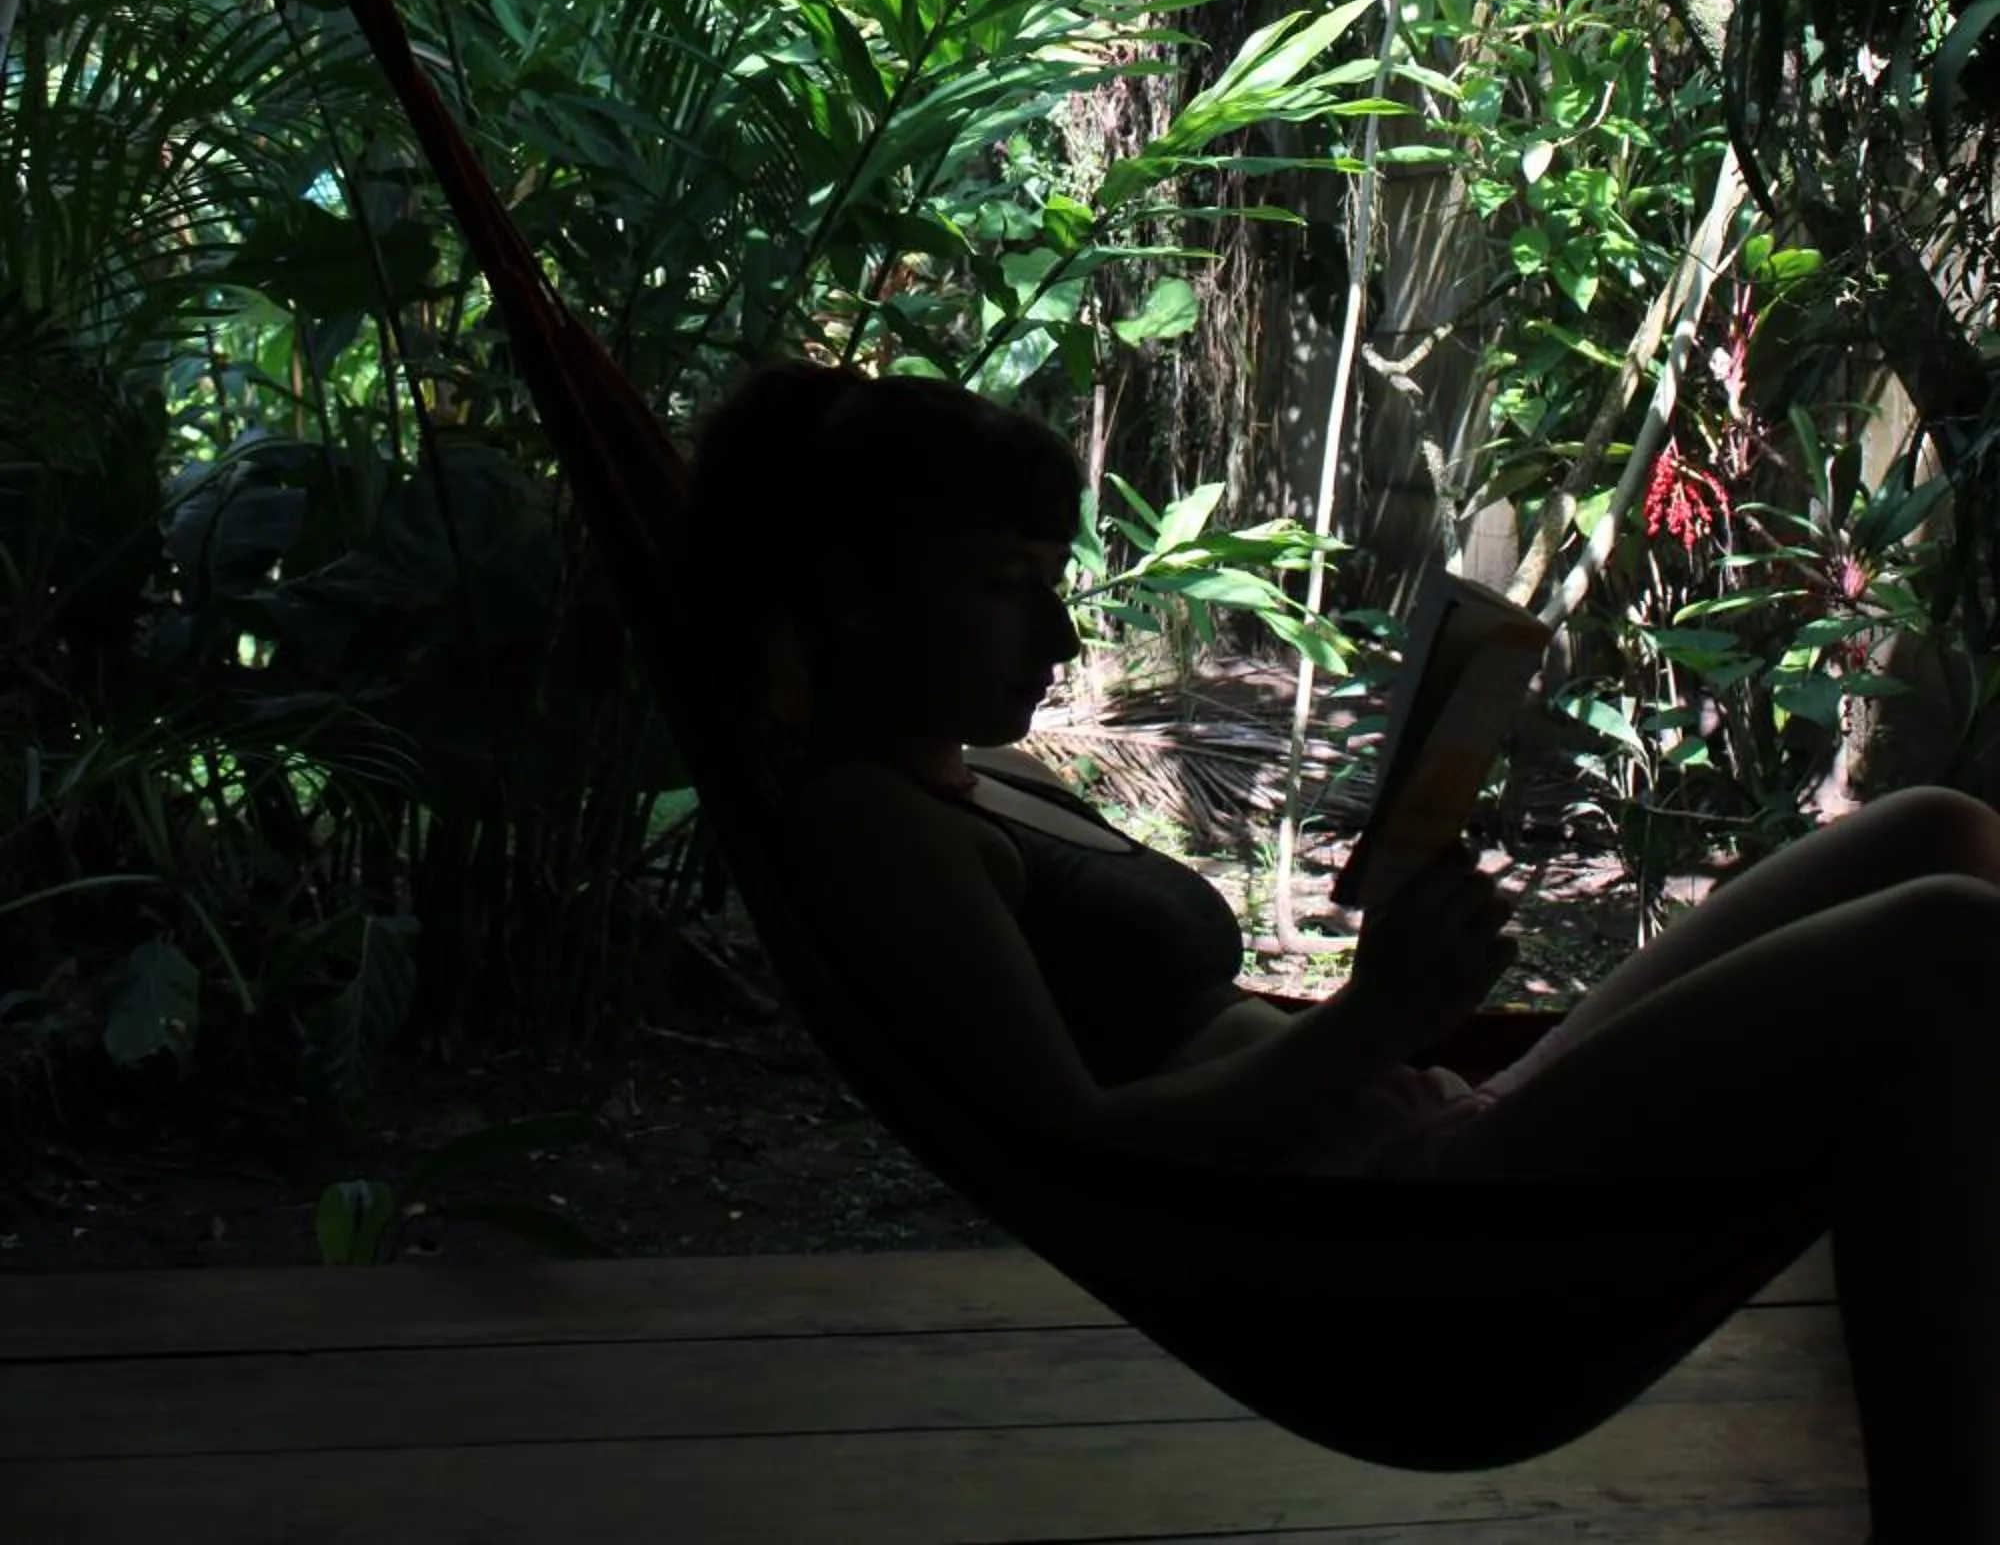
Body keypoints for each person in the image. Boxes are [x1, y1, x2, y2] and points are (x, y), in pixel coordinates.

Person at [687, 358, 2000, 1542]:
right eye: (999, 589)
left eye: (1049, 583)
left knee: (1933, 828)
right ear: (854, 596)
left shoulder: (986, 780)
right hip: (1396, 1249)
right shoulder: (874, 825)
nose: (1060, 638)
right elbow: (1083, 1150)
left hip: (1423, 1127)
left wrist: (1399, 970)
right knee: (1947, 943)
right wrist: (1373, 1020)